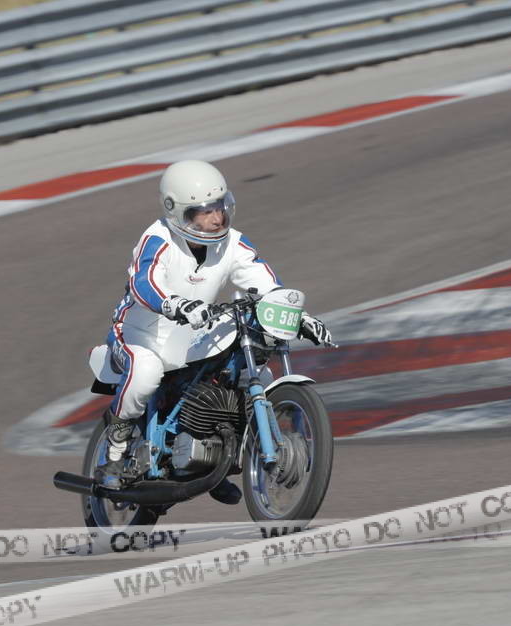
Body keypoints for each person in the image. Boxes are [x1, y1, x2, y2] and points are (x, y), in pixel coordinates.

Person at [96, 159, 333, 497]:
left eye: (219, 206)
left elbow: (266, 283)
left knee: (250, 373)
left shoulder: (232, 243)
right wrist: (175, 304)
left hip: (192, 329)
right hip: (140, 332)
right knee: (146, 372)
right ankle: (115, 452)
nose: (216, 217)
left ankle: (216, 458)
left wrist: (300, 317)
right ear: (178, 212)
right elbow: (144, 282)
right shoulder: (157, 239)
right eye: (203, 211)